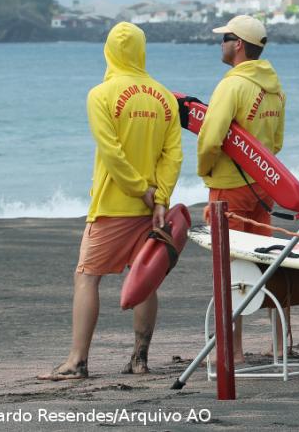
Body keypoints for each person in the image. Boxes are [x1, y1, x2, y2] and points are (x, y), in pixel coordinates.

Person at [38, 22, 183, 381]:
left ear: (109, 52)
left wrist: (139, 189)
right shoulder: (165, 97)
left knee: (86, 277)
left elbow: (112, 152)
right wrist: (159, 197)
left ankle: (77, 362)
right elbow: (173, 155)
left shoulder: (101, 95)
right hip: (152, 210)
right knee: (144, 280)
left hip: (113, 205)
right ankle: (139, 359)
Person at [197, 14, 286, 362]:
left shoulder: (232, 86)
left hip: (229, 189)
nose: (220, 43)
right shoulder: (274, 87)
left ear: (238, 45)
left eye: (225, 38)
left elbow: (211, 138)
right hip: (263, 187)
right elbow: (276, 143)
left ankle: (232, 351)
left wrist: (205, 171)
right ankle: (280, 342)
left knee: (229, 267)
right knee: (263, 262)